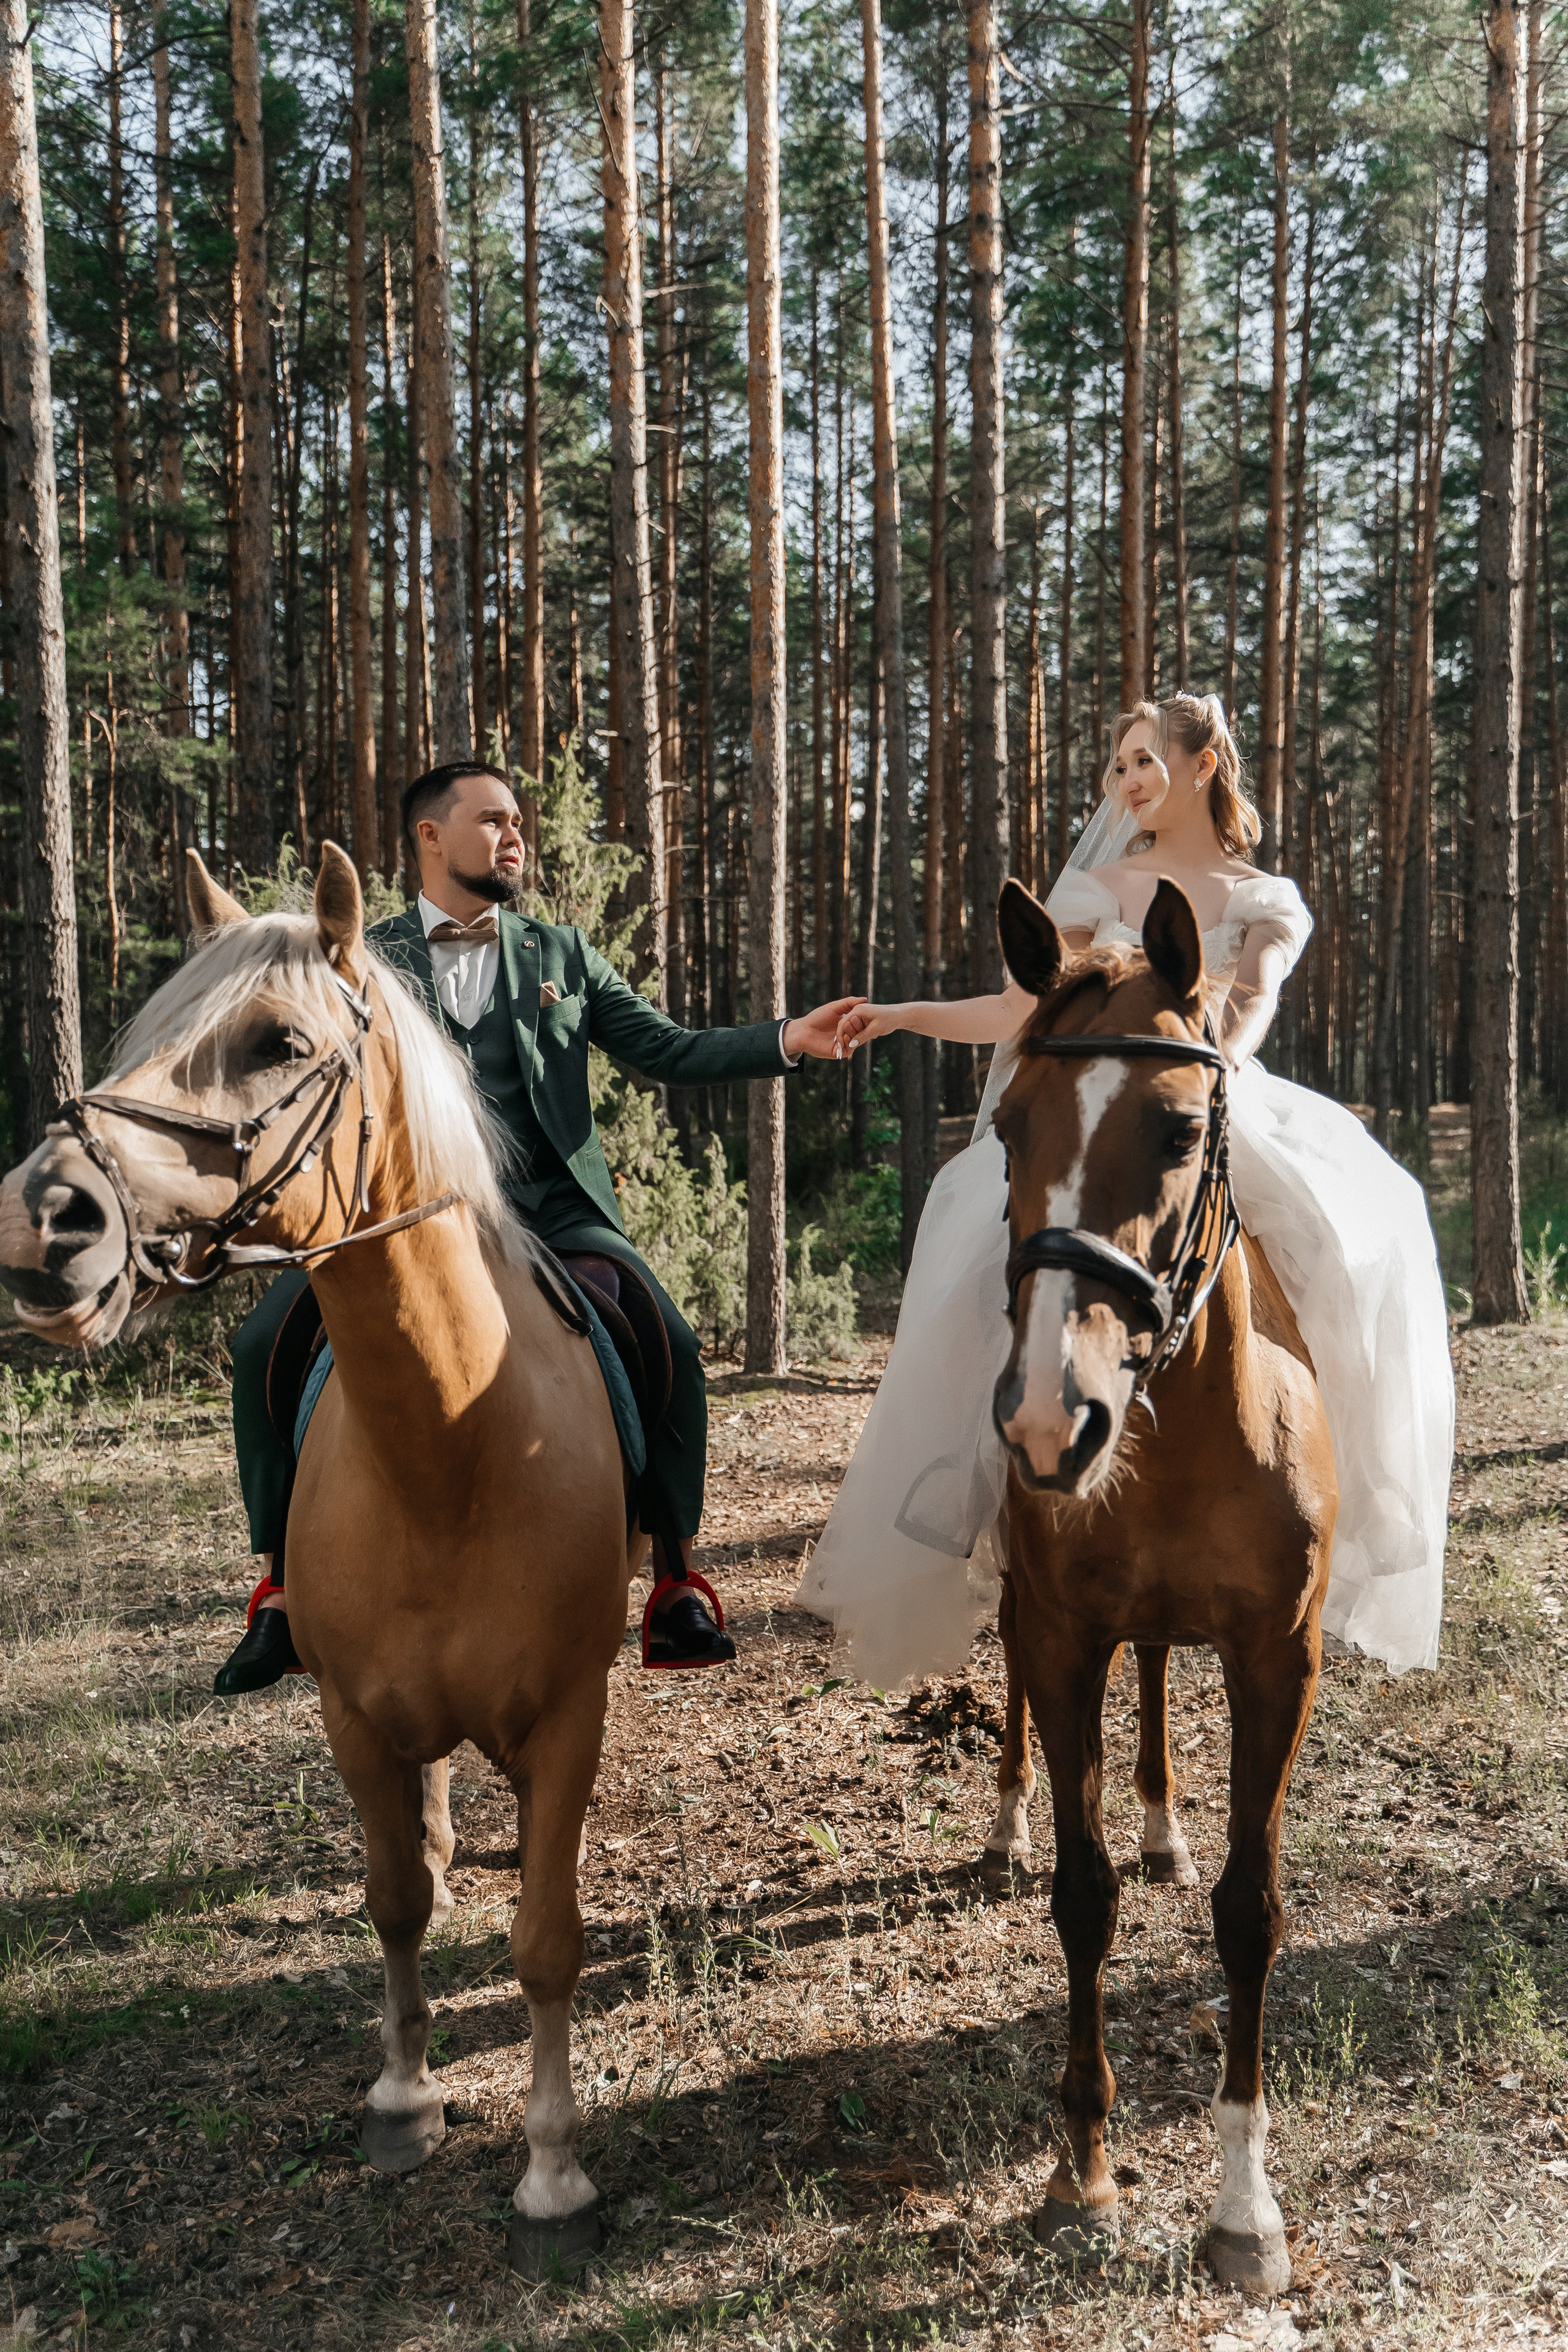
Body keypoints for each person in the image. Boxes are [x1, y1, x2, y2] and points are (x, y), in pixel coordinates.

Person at [799, 693, 1454, 1687]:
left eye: (1144, 759)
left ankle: (1354, 1480)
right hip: (1095, 1110)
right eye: (1117, 767)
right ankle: (970, 1487)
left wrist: (1205, 1074)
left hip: (1211, 1096)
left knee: (1369, 1221)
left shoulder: (1260, 895)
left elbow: (1257, 995)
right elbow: (1020, 1012)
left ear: (1205, 764)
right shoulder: (1098, 887)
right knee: (976, 1233)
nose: (1126, 782)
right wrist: (899, 1014)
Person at [215, 761, 861, 1694]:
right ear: (429, 837)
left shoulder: (562, 953)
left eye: (520, 821)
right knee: (261, 1344)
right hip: (397, 1220)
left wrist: (787, 1039)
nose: (515, 836)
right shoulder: (367, 955)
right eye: (492, 821)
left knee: (668, 1340)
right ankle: (279, 1586)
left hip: (556, 1219)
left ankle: (675, 1575)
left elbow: (668, 1050)